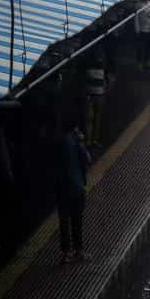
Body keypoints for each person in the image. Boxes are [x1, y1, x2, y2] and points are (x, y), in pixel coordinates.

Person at [55, 120, 92, 264]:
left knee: (64, 221)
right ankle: (78, 251)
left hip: (61, 188)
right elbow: (87, 159)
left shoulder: (58, 142)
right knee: (77, 220)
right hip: (76, 188)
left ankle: (66, 253)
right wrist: (81, 142)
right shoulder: (75, 142)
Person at [83, 51, 108, 148]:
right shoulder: (102, 70)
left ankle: (90, 140)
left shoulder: (89, 70)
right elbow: (105, 83)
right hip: (97, 96)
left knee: (91, 119)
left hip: (92, 96)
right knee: (95, 119)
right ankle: (93, 140)